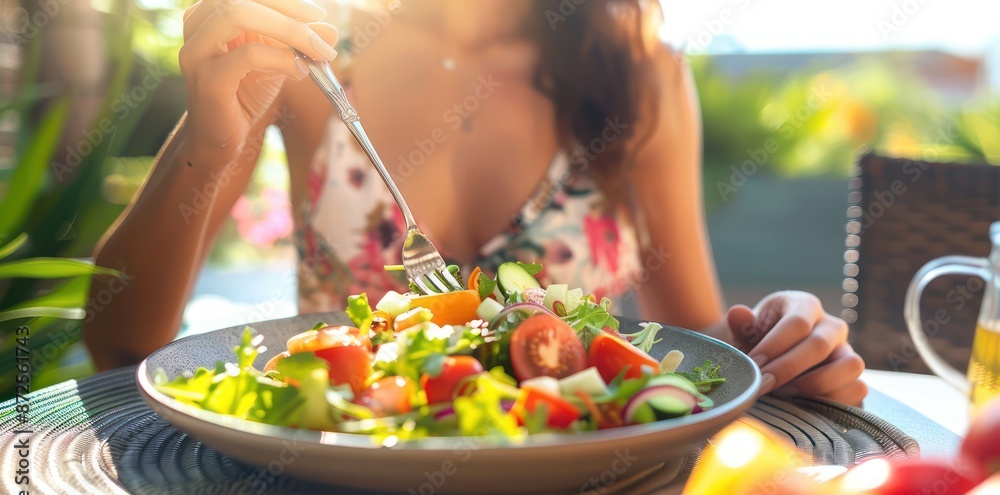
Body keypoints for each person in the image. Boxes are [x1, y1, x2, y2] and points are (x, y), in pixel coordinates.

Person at [84, 0, 866, 405]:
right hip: (334, 493)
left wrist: (780, 343)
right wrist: (208, 150)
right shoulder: (307, 47)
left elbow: (694, 347)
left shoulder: (639, 71)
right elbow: (118, 344)